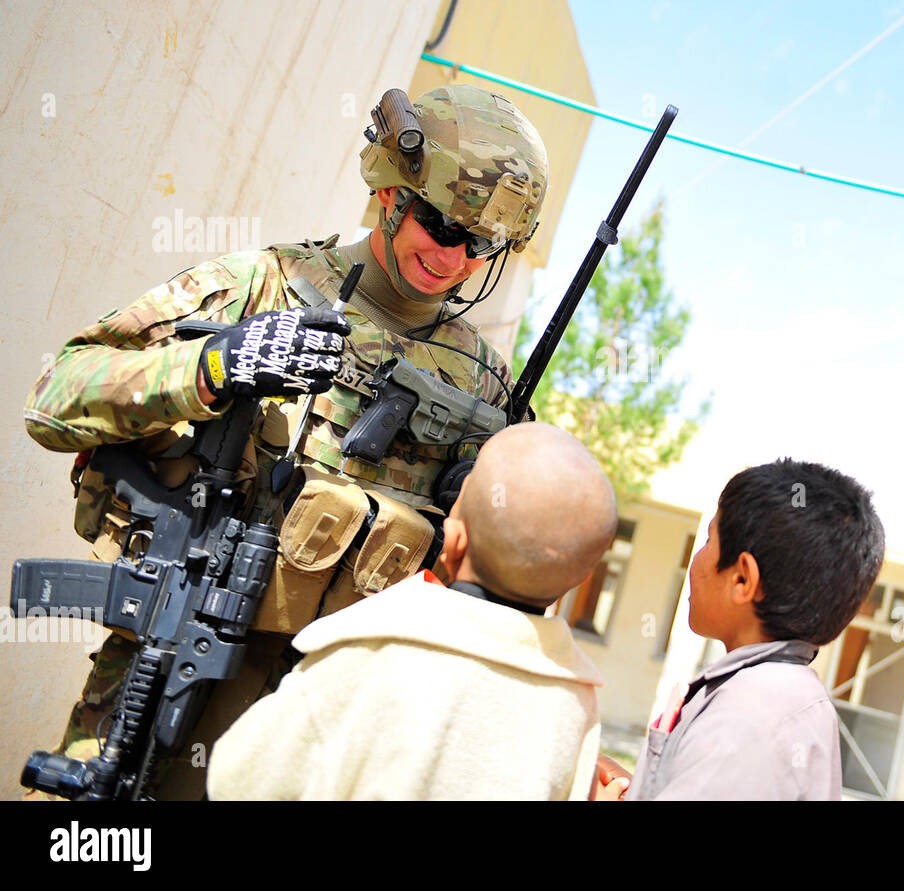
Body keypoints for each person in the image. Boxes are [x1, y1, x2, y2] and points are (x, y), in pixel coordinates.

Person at [21, 84, 549, 799]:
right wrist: (214, 365)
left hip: (323, 726)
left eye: (479, 243)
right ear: (393, 192)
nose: (454, 257)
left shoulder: (485, 385)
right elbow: (55, 396)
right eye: (439, 223)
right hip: (171, 660)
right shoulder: (267, 285)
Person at [206, 421, 613, 800]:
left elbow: (238, 779)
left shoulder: (371, 649)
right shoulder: (574, 706)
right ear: (575, 581)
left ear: (453, 542)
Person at [602, 459, 886, 801]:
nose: (698, 559)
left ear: (742, 579)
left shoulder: (749, 718)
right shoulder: (783, 695)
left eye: (709, 540)